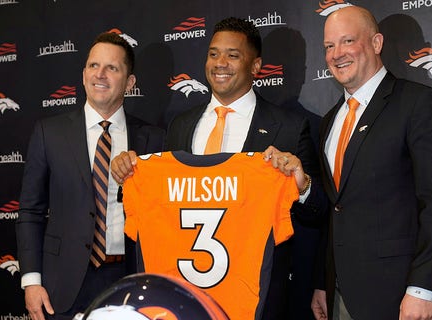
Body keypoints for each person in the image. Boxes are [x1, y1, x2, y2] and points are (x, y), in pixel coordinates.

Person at [111, 17, 327, 320]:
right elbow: (162, 208)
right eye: (213, 54)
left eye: (233, 55)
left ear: (256, 66)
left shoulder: (290, 127)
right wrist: (129, 177)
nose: (220, 63)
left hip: (258, 298)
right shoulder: (181, 125)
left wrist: (302, 187)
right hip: (188, 296)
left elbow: (318, 212)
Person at [310, 5, 432, 320]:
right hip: (341, 297)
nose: (337, 53)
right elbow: (337, 210)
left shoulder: (420, 105)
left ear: (376, 43)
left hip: (402, 297)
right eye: (329, 46)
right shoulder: (329, 122)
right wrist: (322, 283)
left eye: (348, 41)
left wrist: (423, 288)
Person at [15, 31, 165, 320]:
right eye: (94, 65)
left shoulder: (154, 140)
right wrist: (32, 282)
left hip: (131, 277)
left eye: (112, 67)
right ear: (83, 74)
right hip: (63, 284)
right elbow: (30, 211)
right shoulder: (50, 133)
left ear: (130, 82)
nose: (101, 74)